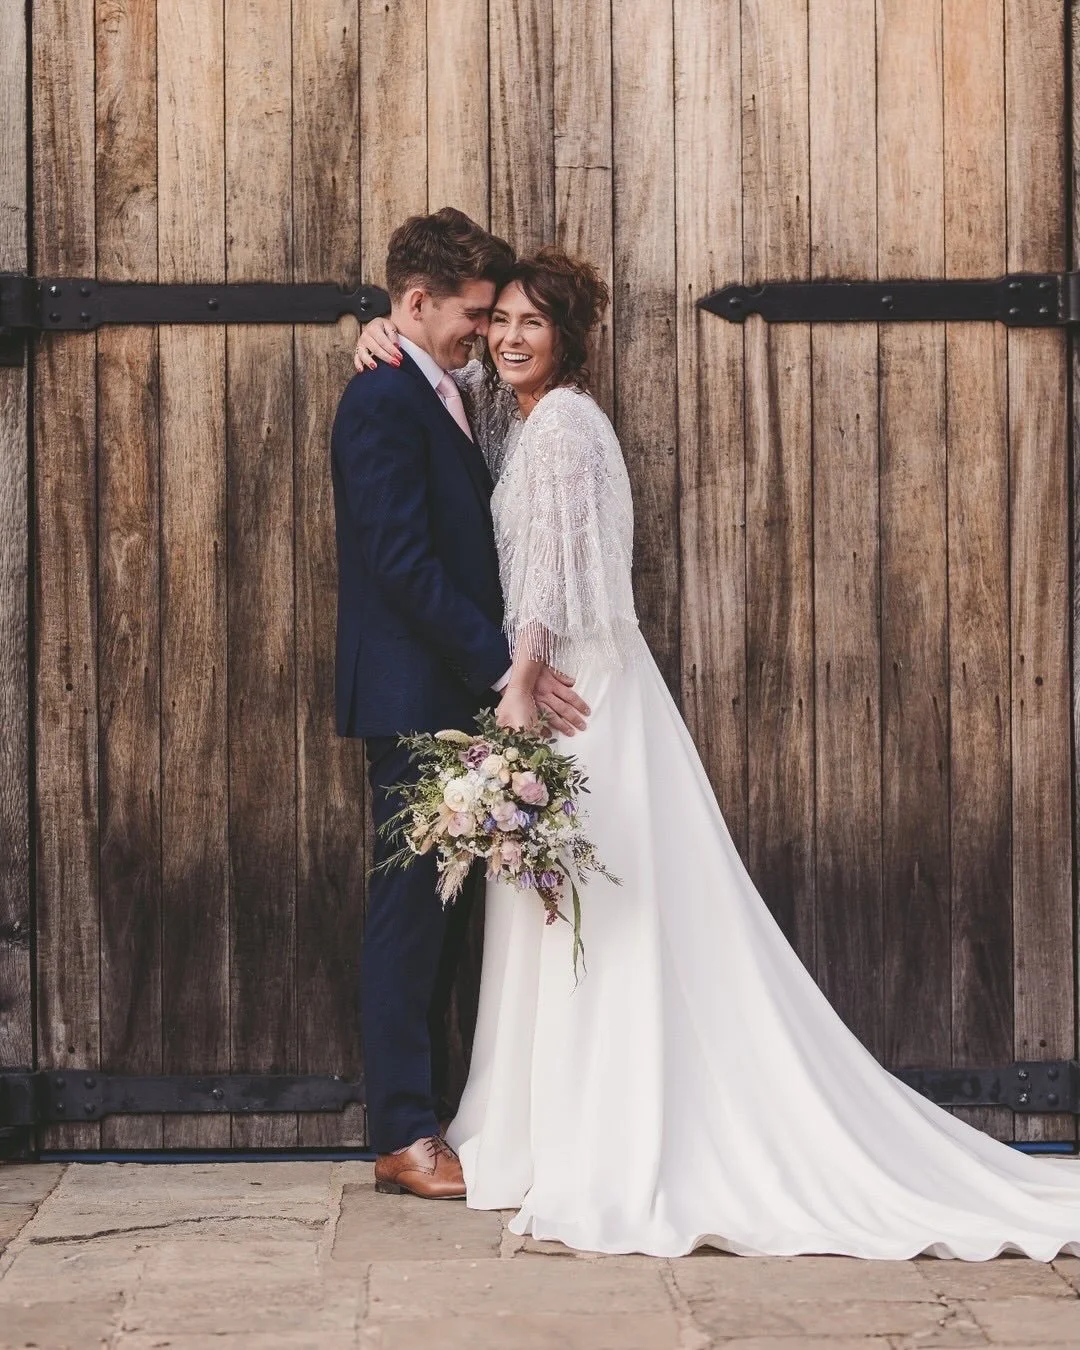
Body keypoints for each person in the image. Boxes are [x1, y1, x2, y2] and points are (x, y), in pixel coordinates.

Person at [353, 246, 1080, 1259]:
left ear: (569, 339)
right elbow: (440, 366)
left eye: (528, 322)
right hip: (544, 690)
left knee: (600, 913)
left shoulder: (560, 427)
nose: (504, 337)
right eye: (495, 318)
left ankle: (599, 1131)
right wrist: (374, 328)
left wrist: (516, 679)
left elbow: (551, 579)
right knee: (564, 912)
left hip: (566, 695)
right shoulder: (494, 403)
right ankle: (522, 1124)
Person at [331, 210, 589, 1202]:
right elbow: (401, 563)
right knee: (406, 918)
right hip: (412, 697)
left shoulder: (438, 384)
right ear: (415, 302)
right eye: (474, 316)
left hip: (446, 695)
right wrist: (502, 670)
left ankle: (433, 1116)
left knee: (441, 921)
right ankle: (401, 1132)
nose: (485, 334)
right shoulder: (384, 401)